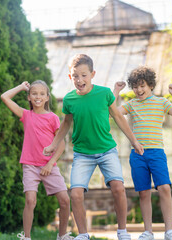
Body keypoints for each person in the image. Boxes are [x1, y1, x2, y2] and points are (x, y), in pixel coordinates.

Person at [43, 54, 144, 240]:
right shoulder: (69, 99)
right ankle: (83, 234)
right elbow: (66, 124)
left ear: (92, 74)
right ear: (70, 77)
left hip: (107, 151)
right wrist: (53, 144)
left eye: (83, 75)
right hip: (82, 155)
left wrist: (134, 141)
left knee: (118, 188)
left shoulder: (105, 93)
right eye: (75, 76)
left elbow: (119, 118)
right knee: (75, 194)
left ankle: (122, 231)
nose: (79, 80)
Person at [113, 66, 172, 240]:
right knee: (144, 192)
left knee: (165, 188)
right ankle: (148, 231)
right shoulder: (131, 104)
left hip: (157, 153)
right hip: (137, 155)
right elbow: (113, 113)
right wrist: (116, 91)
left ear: (151, 85)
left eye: (142, 86)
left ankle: (169, 230)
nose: (139, 90)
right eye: (136, 87)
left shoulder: (161, 102)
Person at [1, 80, 73, 240]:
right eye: (34, 93)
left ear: (47, 97)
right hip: (30, 166)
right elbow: (4, 97)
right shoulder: (26, 115)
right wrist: (21, 87)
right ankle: (26, 237)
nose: (38, 96)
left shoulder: (53, 118)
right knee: (30, 200)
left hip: (49, 166)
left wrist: (49, 163)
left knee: (65, 200)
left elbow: (60, 145)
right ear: (29, 97)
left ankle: (62, 235)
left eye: (41, 94)